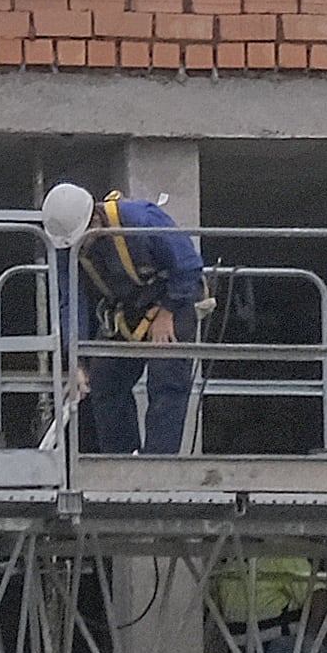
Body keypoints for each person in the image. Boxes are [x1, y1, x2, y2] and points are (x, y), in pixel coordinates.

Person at [66, 188, 208, 456]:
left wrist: (167, 313)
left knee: (166, 383)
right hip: (123, 310)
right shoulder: (68, 243)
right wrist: (75, 359)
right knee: (106, 382)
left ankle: (157, 464)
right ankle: (121, 459)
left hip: (172, 299)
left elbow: (188, 266)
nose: (78, 249)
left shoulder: (142, 221)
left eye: (80, 242)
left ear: (94, 221)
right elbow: (69, 300)